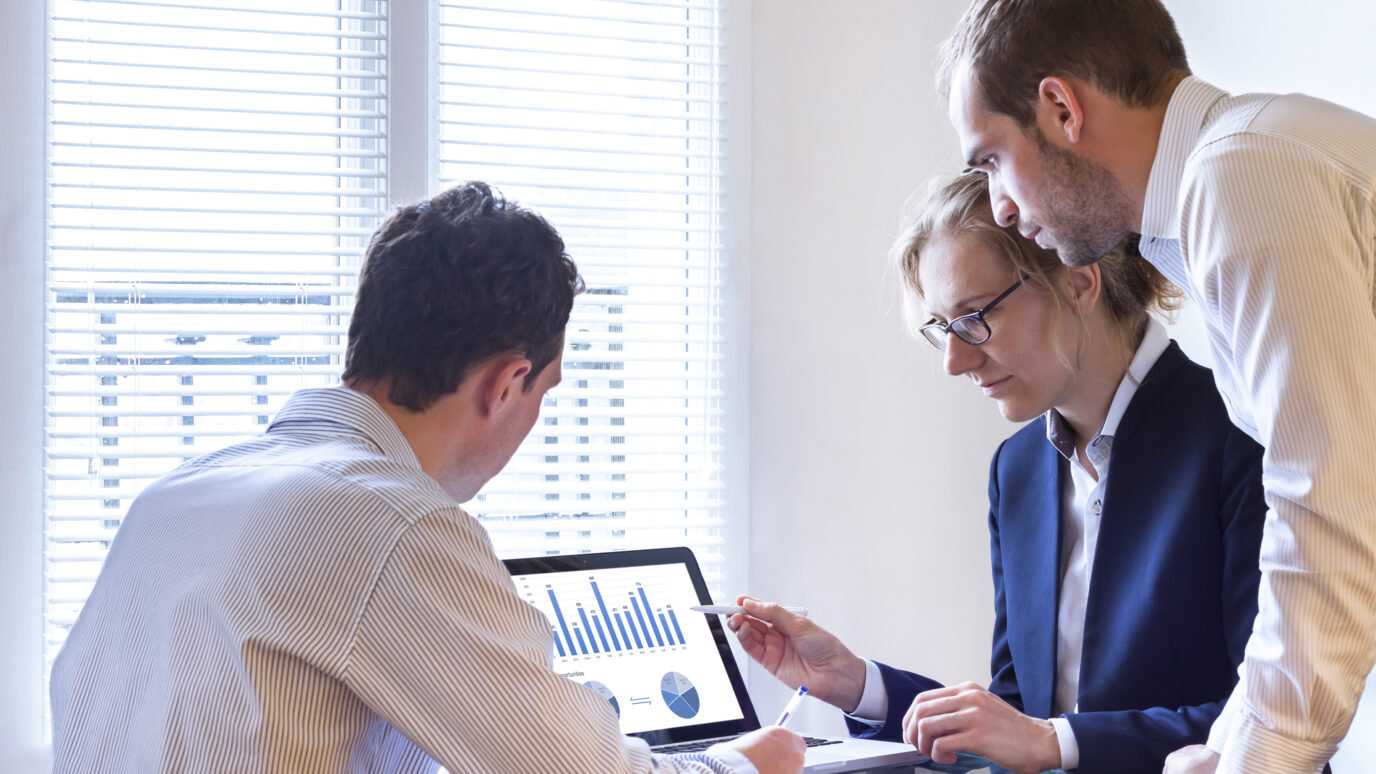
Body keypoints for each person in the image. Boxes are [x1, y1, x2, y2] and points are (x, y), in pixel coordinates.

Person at [49, 182, 806, 774]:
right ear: (506, 384)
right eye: (545, 392)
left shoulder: (173, 498)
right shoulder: (389, 524)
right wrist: (736, 763)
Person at [937, 2, 1376, 771]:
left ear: (1061, 108)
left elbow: (1330, 502)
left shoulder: (1242, 176)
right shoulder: (1239, 175)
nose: (1002, 207)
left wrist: (1257, 756)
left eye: (993, 161)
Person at [728, 172, 1266, 774]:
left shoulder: (1244, 439)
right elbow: (1015, 719)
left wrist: (1049, 741)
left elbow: (1273, 722)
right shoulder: (1019, 470)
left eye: (975, 316)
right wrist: (857, 685)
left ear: (1079, 280)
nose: (955, 361)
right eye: (942, 330)